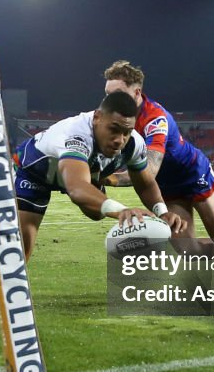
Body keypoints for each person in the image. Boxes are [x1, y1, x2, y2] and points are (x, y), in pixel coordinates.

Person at [101, 60, 214, 286]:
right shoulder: (114, 116)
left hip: (193, 175)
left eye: (117, 93)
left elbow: (148, 171)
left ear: (137, 92)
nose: (110, 100)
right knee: (189, 253)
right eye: (107, 94)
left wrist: (108, 178)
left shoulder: (155, 119)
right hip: (167, 187)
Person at [13, 91, 185, 260]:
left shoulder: (134, 143)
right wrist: (122, 211)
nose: (120, 140)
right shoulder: (76, 135)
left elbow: (145, 183)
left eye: (126, 132)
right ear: (97, 118)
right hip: (34, 173)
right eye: (113, 129)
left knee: (96, 213)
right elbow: (77, 187)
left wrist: (162, 212)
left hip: (81, 171)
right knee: (21, 249)